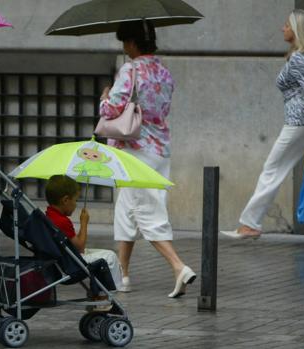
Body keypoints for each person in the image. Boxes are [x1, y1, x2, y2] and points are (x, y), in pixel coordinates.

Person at [220, 9, 304, 248]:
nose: (282, 28)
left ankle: (250, 223)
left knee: (273, 169)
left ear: (297, 30)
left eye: (286, 25)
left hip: (301, 123)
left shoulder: (299, 59)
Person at [99, 20, 196, 298]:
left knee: (147, 211)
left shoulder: (130, 70)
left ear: (131, 43)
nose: (124, 48)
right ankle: (123, 274)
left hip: (134, 148)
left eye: (125, 43)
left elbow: (112, 108)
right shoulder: (164, 73)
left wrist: (104, 98)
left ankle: (179, 267)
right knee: (127, 209)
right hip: (159, 148)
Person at [44, 175, 123, 292]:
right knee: (110, 257)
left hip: (63, 258)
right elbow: (80, 247)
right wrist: (84, 223)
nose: (76, 204)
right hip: (70, 263)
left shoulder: (49, 215)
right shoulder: (62, 221)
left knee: (107, 253)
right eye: (75, 200)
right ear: (65, 200)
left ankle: (99, 292)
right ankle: (111, 294)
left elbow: (75, 244)